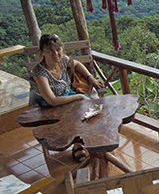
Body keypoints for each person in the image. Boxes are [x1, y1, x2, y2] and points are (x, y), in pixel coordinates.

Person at [30, 33, 104, 162]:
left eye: (58, 49)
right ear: (42, 52)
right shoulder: (40, 73)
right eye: (50, 51)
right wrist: (79, 96)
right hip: (49, 104)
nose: (56, 54)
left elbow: (76, 64)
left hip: (67, 95)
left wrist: (90, 77)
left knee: (91, 110)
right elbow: (52, 101)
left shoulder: (63, 60)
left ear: (62, 49)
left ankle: (88, 139)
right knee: (77, 112)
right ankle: (78, 145)